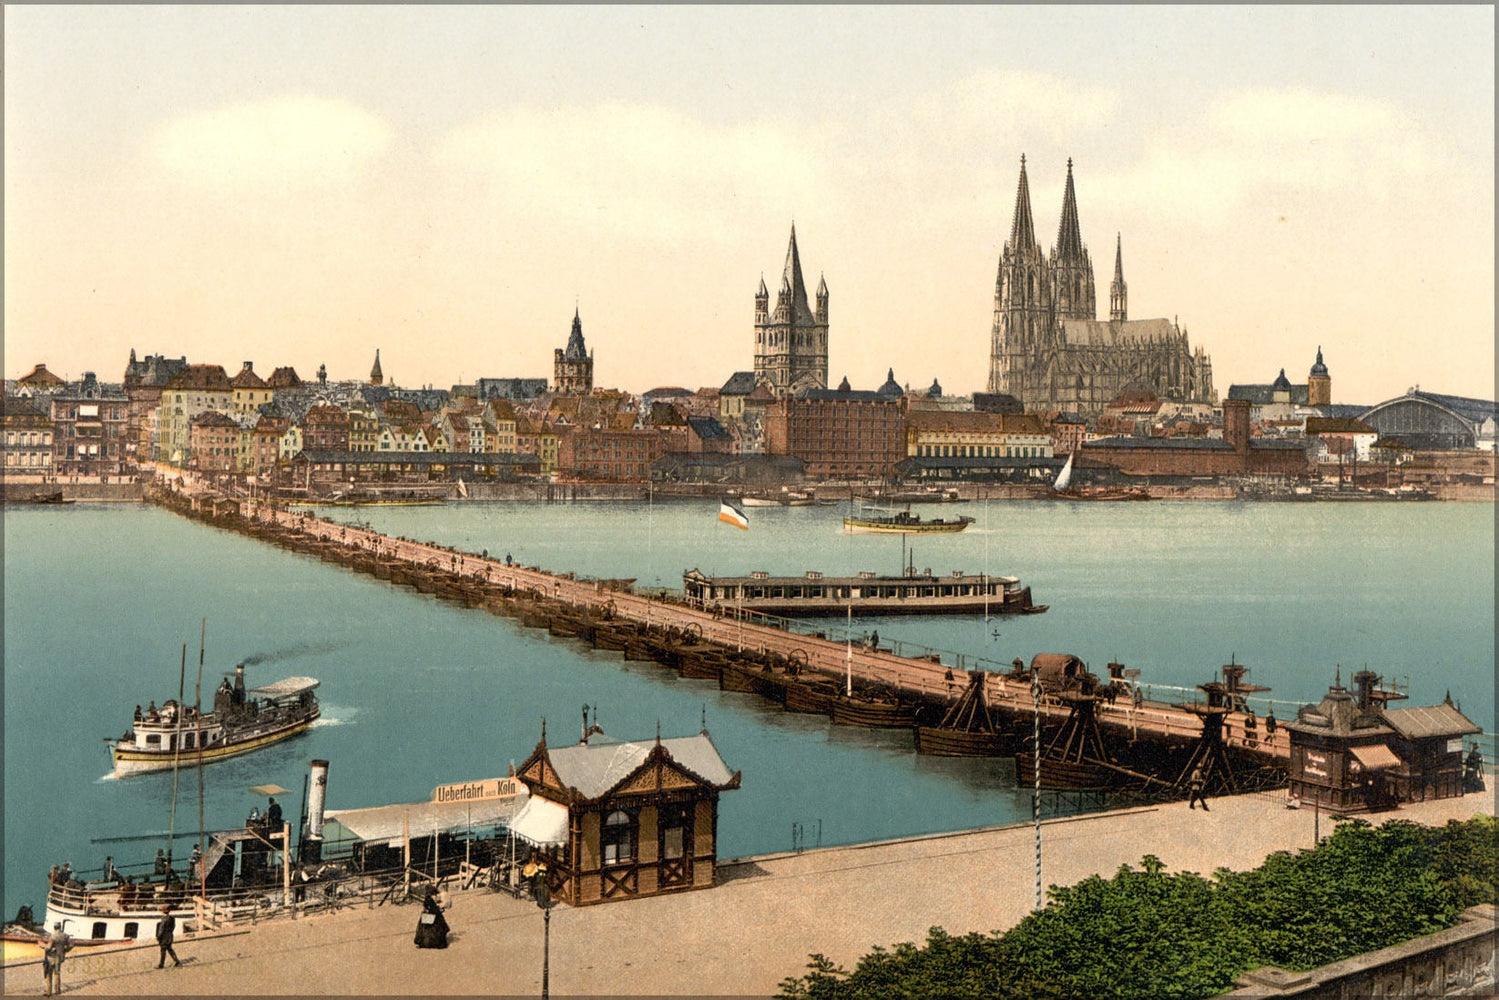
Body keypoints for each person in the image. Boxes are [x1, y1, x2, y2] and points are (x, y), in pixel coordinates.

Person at [44, 923, 71, 996]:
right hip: (60, 957)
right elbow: (69, 946)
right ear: (60, 927)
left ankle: (48, 991)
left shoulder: (52, 936)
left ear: (54, 928)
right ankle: (57, 990)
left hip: (52, 957)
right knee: (57, 973)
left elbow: (48, 948)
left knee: (49, 974)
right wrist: (64, 951)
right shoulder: (65, 936)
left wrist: (43, 946)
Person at [155, 904, 181, 968]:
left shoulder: (163, 919)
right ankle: (176, 961)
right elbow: (173, 927)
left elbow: (161, 929)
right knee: (169, 949)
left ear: (162, 911)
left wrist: (158, 937)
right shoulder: (172, 918)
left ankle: (161, 964)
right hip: (170, 935)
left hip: (164, 937)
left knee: (163, 951)